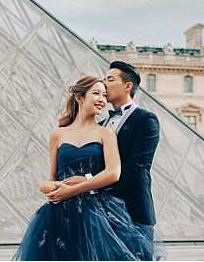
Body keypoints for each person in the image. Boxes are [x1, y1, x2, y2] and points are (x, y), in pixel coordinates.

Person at [12, 75, 154, 261]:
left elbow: (113, 173)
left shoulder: (106, 133)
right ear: (79, 98)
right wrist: (45, 186)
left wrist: (73, 190)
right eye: (96, 93)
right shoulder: (57, 134)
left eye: (104, 95)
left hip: (94, 211)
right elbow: (52, 177)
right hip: (59, 212)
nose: (102, 99)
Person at [60, 61, 161, 245]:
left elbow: (136, 168)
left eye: (110, 79)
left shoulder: (146, 120)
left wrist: (89, 181)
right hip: (100, 213)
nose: (104, 84)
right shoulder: (101, 124)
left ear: (127, 86)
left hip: (133, 210)